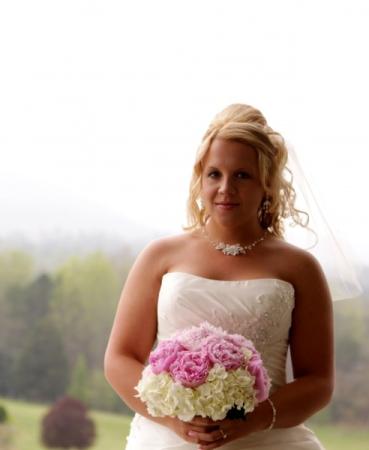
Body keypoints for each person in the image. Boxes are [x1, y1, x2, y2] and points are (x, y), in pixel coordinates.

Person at [104, 103, 334, 450]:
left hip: (268, 440)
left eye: (242, 175)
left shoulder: (300, 268)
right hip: (169, 438)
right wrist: (175, 420)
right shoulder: (160, 256)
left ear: (267, 184)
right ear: (200, 179)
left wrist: (253, 420)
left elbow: (318, 381)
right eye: (215, 174)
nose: (226, 188)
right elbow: (119, 358)